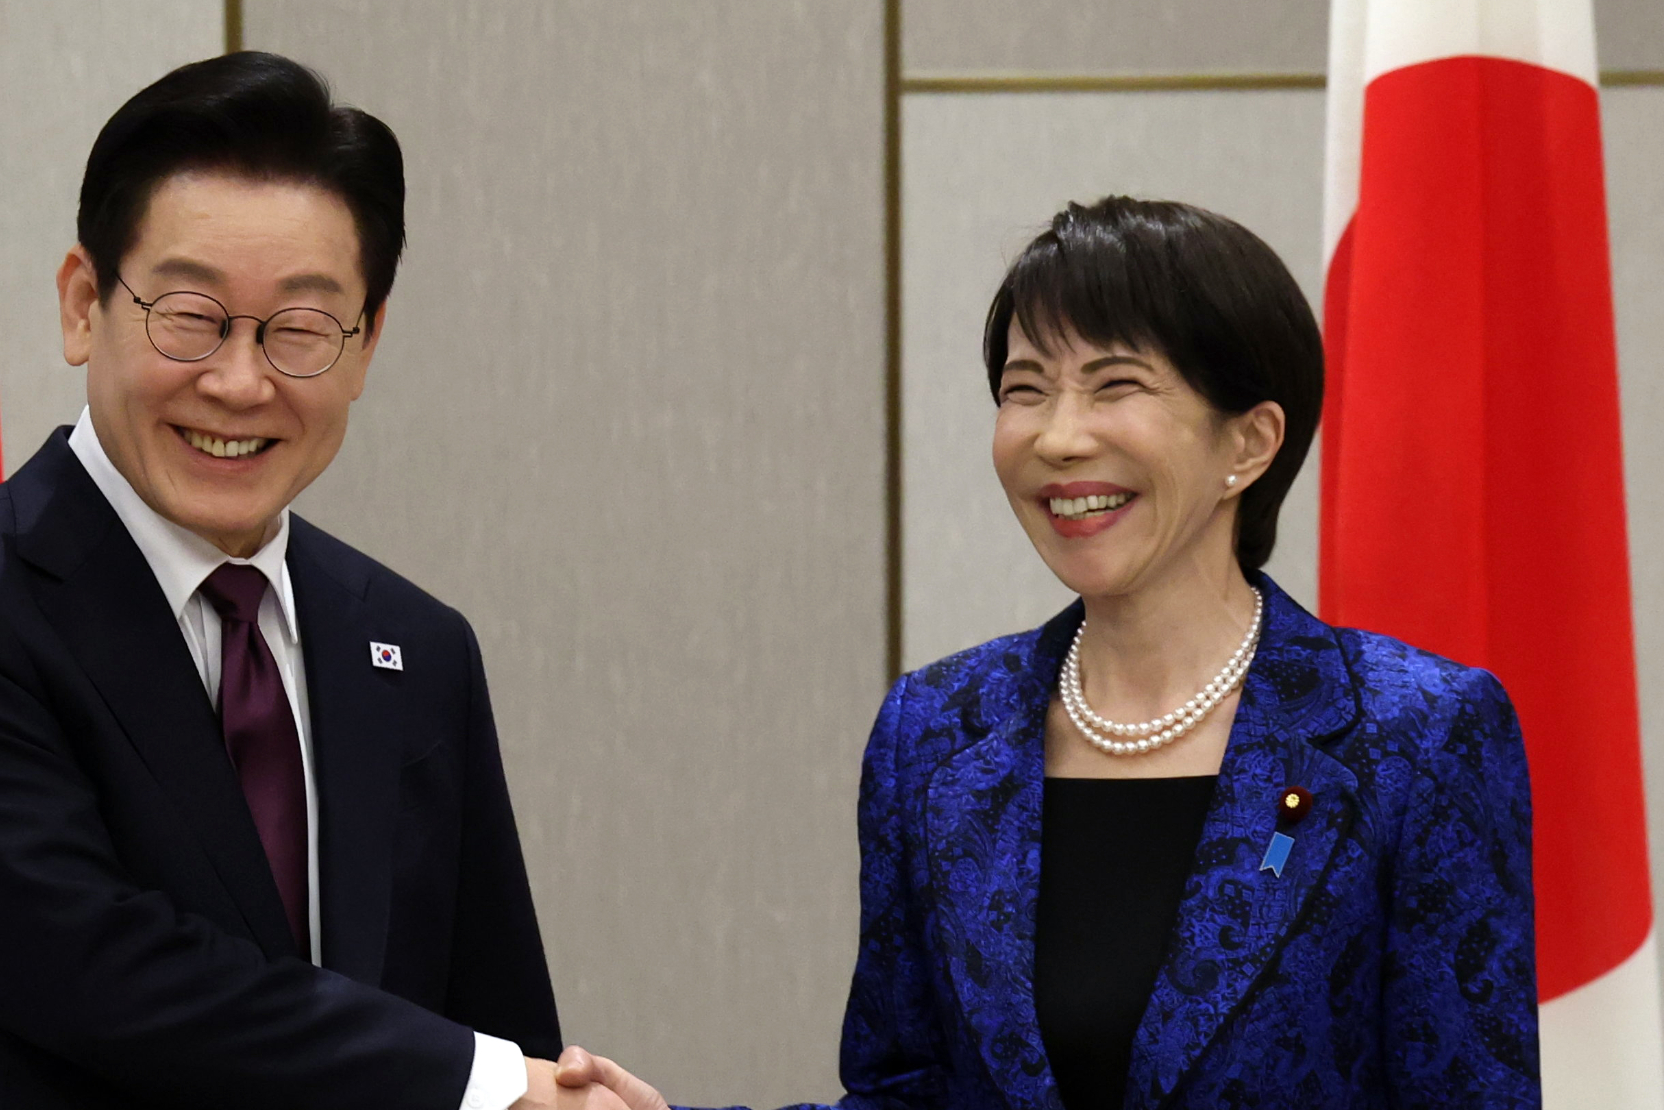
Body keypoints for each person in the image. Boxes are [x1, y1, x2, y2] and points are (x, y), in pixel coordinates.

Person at [558, 197, 1539, 1109]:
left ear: (1250, 442)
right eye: (1026, 390)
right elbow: (905, 1096)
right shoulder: (936, 734)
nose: (1059, 437)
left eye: (1114, 386)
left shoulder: (1415, 737)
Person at [0, 52, 625, 1110]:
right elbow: (101, 978)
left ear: (366, 343)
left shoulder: (415, 646)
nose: (240, 381)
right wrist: (484, 1080)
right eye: (191, 317)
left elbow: (499, 1019)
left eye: (299, 329)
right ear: (82, 304)